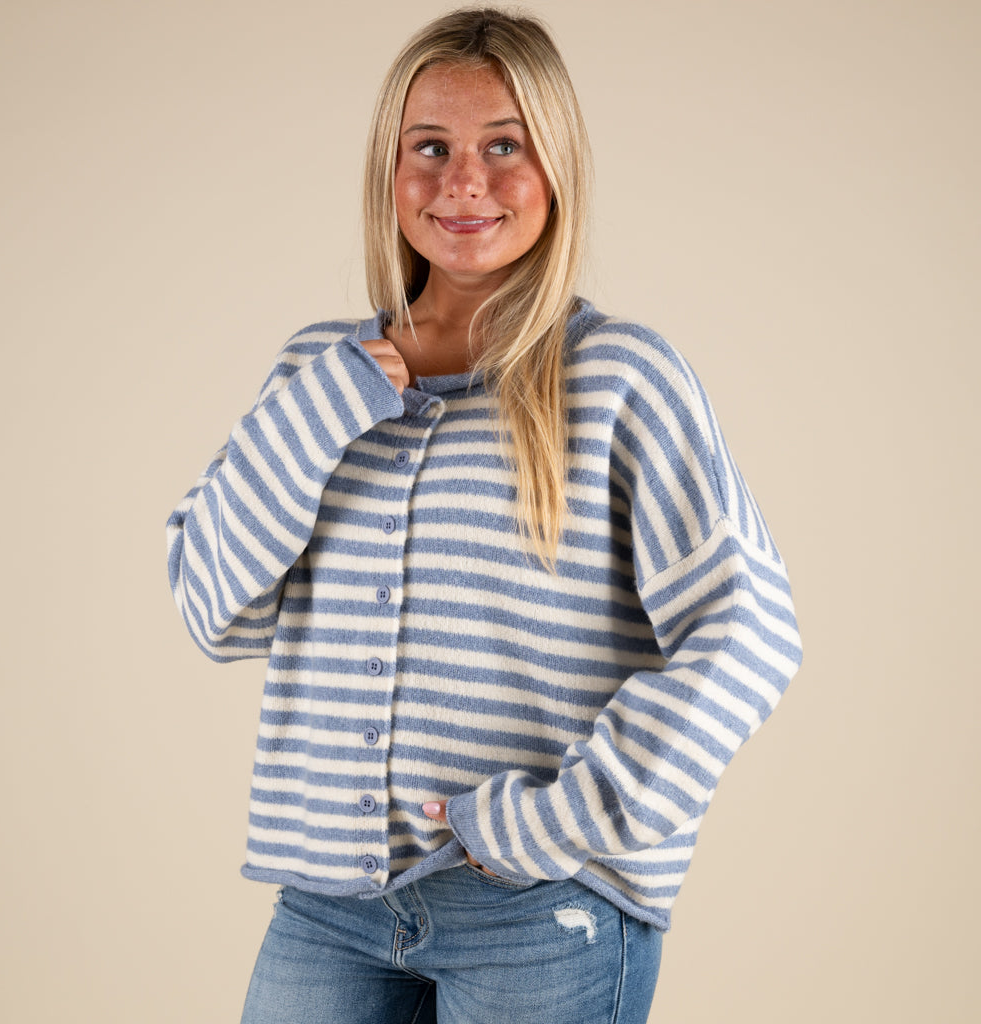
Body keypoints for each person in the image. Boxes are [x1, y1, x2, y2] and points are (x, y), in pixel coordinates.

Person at [166, 7, 802, 1022]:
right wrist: (320, 410)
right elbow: (213, 609)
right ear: (389, 169)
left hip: (542, 909)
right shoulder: (311, 375)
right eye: (431, 148)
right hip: (328, 905)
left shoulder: (616, 378)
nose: (464, 181)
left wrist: (554, 824)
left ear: (556, 169)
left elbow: (749, 631)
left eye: (503, 146)